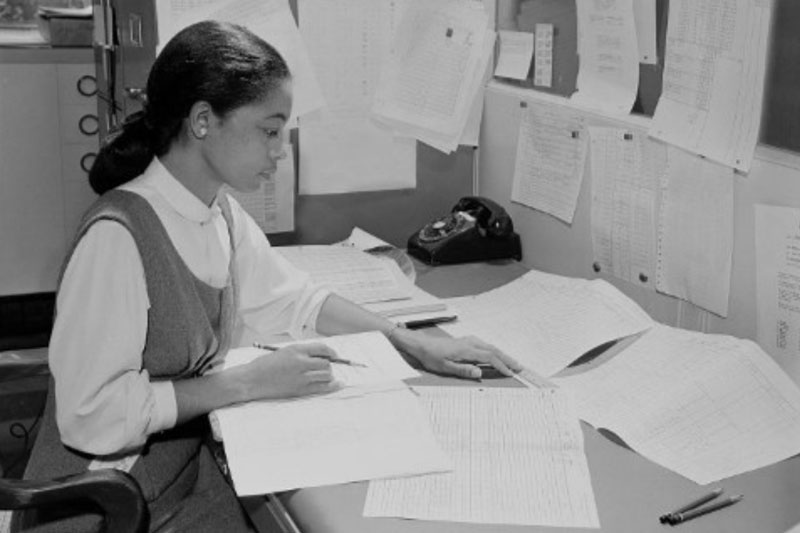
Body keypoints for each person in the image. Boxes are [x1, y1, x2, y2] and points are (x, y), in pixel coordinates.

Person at [19, 20, 521, 532]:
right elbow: (93, 416)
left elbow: (295, 301)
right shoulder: (118, 239)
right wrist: (243, 385)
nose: (280, 151)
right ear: (201, 121)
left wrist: (408, 341)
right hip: (106, 504)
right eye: (269, 130)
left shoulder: (219, 215)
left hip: (174, 476)